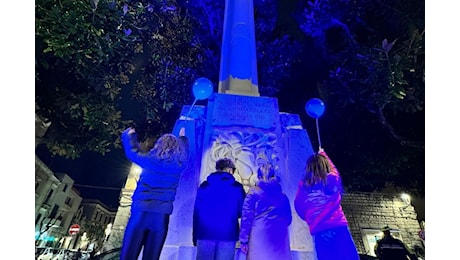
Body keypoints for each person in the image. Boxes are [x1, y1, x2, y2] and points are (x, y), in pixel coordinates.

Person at [120, 126, 189, 260]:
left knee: (128, 256)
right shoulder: (179, 165)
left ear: (158, 145)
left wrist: (130, 135)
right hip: (161, 218)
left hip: (140, 214)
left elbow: (131, 151)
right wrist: (183, 138)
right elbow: (186, 152)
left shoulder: (149, 160)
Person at [294, 148, 359, 260]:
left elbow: (298, 206)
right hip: (337, 225)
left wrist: (310, 218)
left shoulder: (304, 186)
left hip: (318, 228)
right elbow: (336, 173)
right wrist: (323, 153)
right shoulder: (331, 179)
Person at [193, 158, 246, 260]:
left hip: (204, 233)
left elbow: (196, 213)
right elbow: (242, 212)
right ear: (230, 170)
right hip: (228, 234)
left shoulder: (204, 186)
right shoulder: (237, 188)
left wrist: (195, 236)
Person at [239, 162, 292, 260]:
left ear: (259, 176)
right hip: (280, 234)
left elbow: (246, 217)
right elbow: (288, 219)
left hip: (259, 234)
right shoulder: (282, 195)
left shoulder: (254, 192)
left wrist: (243, 240)